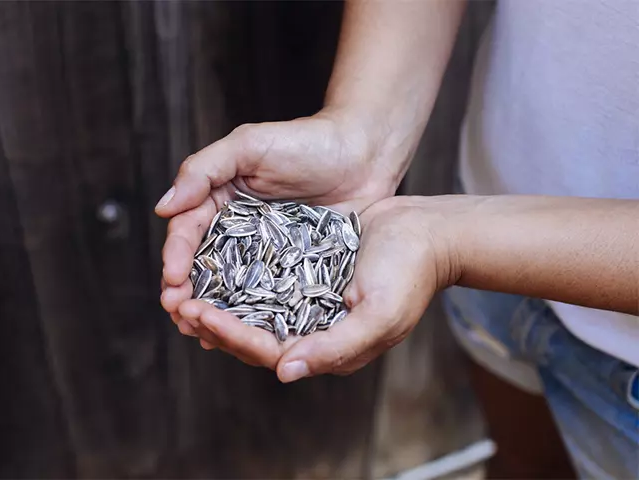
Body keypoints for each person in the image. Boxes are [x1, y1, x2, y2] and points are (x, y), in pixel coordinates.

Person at [155, 1, 638, 477]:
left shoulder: (447, 240)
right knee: (519, 462)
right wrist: (364, 131)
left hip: (620, 342)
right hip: (491, 225)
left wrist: (449, 241)